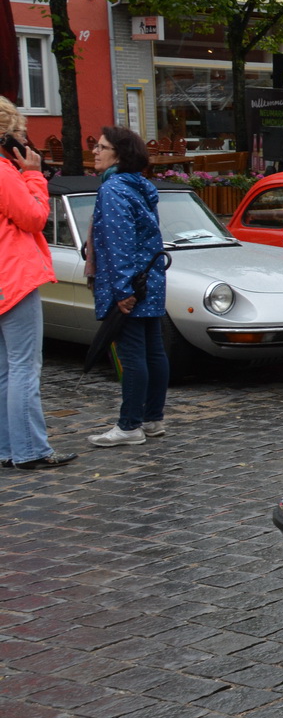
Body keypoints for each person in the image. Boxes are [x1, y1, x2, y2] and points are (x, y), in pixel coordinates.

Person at [0, 104, 74, 469]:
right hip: (12, 277)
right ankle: (30, 450)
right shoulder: (4, 173)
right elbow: (34, 218)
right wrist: (33, 176)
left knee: (4, 369)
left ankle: (7, 448)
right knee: (24, 367)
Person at [86, 127, 169, 448]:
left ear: (119, 155)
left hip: (131, 284)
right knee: (153, 352)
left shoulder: (114, 189)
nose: (95, 151)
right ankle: (152, 419)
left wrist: (122, 291)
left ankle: (130, 425)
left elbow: (120, 243)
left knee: (133, 355)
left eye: (101, 147)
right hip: (149, 279)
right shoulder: (139, 186)